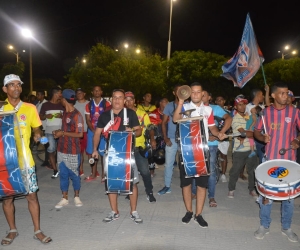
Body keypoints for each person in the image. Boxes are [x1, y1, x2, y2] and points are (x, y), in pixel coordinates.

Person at [1, 74, 52, 245]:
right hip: (5, 164)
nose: (16, 88)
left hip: (26, 161)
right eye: (12, 85)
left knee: (32, 197)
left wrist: (39, 136)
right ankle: (12, 230)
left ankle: (37, 230)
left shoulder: (30, 108)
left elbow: (37, 129)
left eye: (18, 85)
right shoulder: (1, 110)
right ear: (5, 89)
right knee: (8, 198)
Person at [173, 82, 225, 227]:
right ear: (190, 93)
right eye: (193, 92)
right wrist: (181, 101)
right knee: (186, 184)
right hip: (186, 150)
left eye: (198, 92)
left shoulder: (208, 109)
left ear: (203, 94)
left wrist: (219, 133)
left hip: (203, 151)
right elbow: (175, 119)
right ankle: (189, 211)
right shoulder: (185, 107)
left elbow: (212, 127)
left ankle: (198, 214)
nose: (196, 94)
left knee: (202, 185)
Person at [253, 82, 300, 242]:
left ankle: (286, 227)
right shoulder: (265, 113)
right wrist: (262, 138)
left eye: (287, 93)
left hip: (289, 161)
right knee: (267, 196)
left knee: (289, 197)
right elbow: (257, 132)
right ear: (273, 95)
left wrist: (298, 140)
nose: (285, 96)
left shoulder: (294, 112)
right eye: (282, 93)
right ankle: (264, 225)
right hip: (270, 160)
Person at [92, 89, 143, 224]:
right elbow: (97, 133)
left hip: (127, 153)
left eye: (120, 98)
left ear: (124, 100)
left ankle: (133, 211)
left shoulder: (130, 114)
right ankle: (114, 211)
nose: (117, 100)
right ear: (111, 99)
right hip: (110, 153)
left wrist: (132, 131)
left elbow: (139, 131)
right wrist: (94, 149)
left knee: (132, 182)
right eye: (115, 97)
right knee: (111, 182)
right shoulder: (104, 116)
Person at [53, 89, 84, 209]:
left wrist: (63, 133)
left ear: (64, 100)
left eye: (61, 98)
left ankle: (76, 196)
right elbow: (65, 131)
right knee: (63, 174)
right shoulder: (65, 113)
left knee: (75, 175)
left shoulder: (77, 115)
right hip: (61, 149)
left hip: (73, 150)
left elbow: (80, 134)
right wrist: (58, 132)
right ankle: (64, 197)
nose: (60, 100)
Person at [124, 91, 156, 202]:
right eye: (126, 100)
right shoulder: (121, 114)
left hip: (139, 147)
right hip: (126, 147)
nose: (128, 102)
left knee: (145, 171)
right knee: (128, 171)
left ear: (134, 100)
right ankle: (130, 192)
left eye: (130, 99)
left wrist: (152, 139)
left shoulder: (142, 114)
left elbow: (150, 127)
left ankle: (149, 192)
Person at [202, 91, 232, 207]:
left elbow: (228, 119)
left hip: (211, 144)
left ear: (210, 97)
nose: (202, 96)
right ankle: (194, 192)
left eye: (204, 94)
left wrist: (220, 133)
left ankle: (211, 196)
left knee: (211, 170)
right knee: (196, 170)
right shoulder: (194, 108)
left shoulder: (215, 108)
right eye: (200, 94)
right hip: (197, 144)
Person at [228, 95, 258, 199]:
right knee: (235, 171)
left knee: (253, 171)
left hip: (251, 149)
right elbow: (244, 133)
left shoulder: (248, 116)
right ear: (235, 107)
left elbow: (255, 128)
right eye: (239, 105)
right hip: (239, 151)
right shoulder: (235, 119)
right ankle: (231, 189)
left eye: (244, 104)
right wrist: (256, 134)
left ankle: (252, 189)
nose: (242, 106)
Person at [157, 85, 181, 195]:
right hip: (171, 138)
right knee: (168, 164)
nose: (180, 92)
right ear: (174, 92)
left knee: (186, 164)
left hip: (184, 139)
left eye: (182, 90)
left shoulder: (187, 105)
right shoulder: (169, 106)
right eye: (177, 90)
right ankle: (167, 186)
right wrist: (165, 138)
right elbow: (163, 123)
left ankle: (188, 187)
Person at [85, 86, 111, 181]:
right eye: (95, 90)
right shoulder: (88, 105)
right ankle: (93, 173)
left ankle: (104, 175)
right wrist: (93, 130)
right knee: (92, 153)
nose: (97, 92)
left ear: (101, 92)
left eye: (98, 90)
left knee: (103, 154)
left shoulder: (107, 103)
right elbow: (87, 120)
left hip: (103, 132)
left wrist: (103, 130)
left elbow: (109, 118)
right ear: (92, 92)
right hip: (92, 131)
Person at [39, 87, 64, 178]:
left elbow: (68, 115)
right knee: (51, 150)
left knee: (62, 151)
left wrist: (62, 116)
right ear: (55, 93)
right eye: (60, 93)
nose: (61, 95)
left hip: (61, 131)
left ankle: (62, 169)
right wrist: (45, 116)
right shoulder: (46, 105)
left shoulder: (62, 104)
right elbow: (40, 117)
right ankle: (55, 169)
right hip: (49, 131)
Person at [148, 97, 169, 176]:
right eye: (165, 102)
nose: (167, 103)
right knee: (152, 151)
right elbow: (152, 126)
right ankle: (151, 169)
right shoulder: (154, 113)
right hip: (157, 135)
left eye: (167, 102)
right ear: (160, 103)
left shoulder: (170, 112)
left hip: (167, 135)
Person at [215, 95, 231, 182]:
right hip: (213, 138)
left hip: (224, 137)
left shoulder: (227, 112)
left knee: (223, 155)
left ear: (224, 101)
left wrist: (225, 134)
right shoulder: (212, 111)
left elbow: (229, 125)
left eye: (221, 100)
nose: (219, 102)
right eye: (217, 100)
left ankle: (223, 174)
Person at [74, 88, 89, 176]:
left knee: (90, 152)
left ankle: (94, 170)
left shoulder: (89, 104)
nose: (79, 95)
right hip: (78, 131)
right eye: (78, 93)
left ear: (84, 93)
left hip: (88, 131)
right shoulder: (74, 105)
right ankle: (81, 169)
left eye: (81, 93)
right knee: (80, 151)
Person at [35, 90, 49, 167]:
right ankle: (46, 159)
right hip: (40, 126)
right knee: (44, 144)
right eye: (37, 95)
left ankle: (47, 160)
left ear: (43, 95)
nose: (38, 96)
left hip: (45, 126)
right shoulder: (38, 104)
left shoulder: (46, 104)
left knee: (46, 145)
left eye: (39, 95)